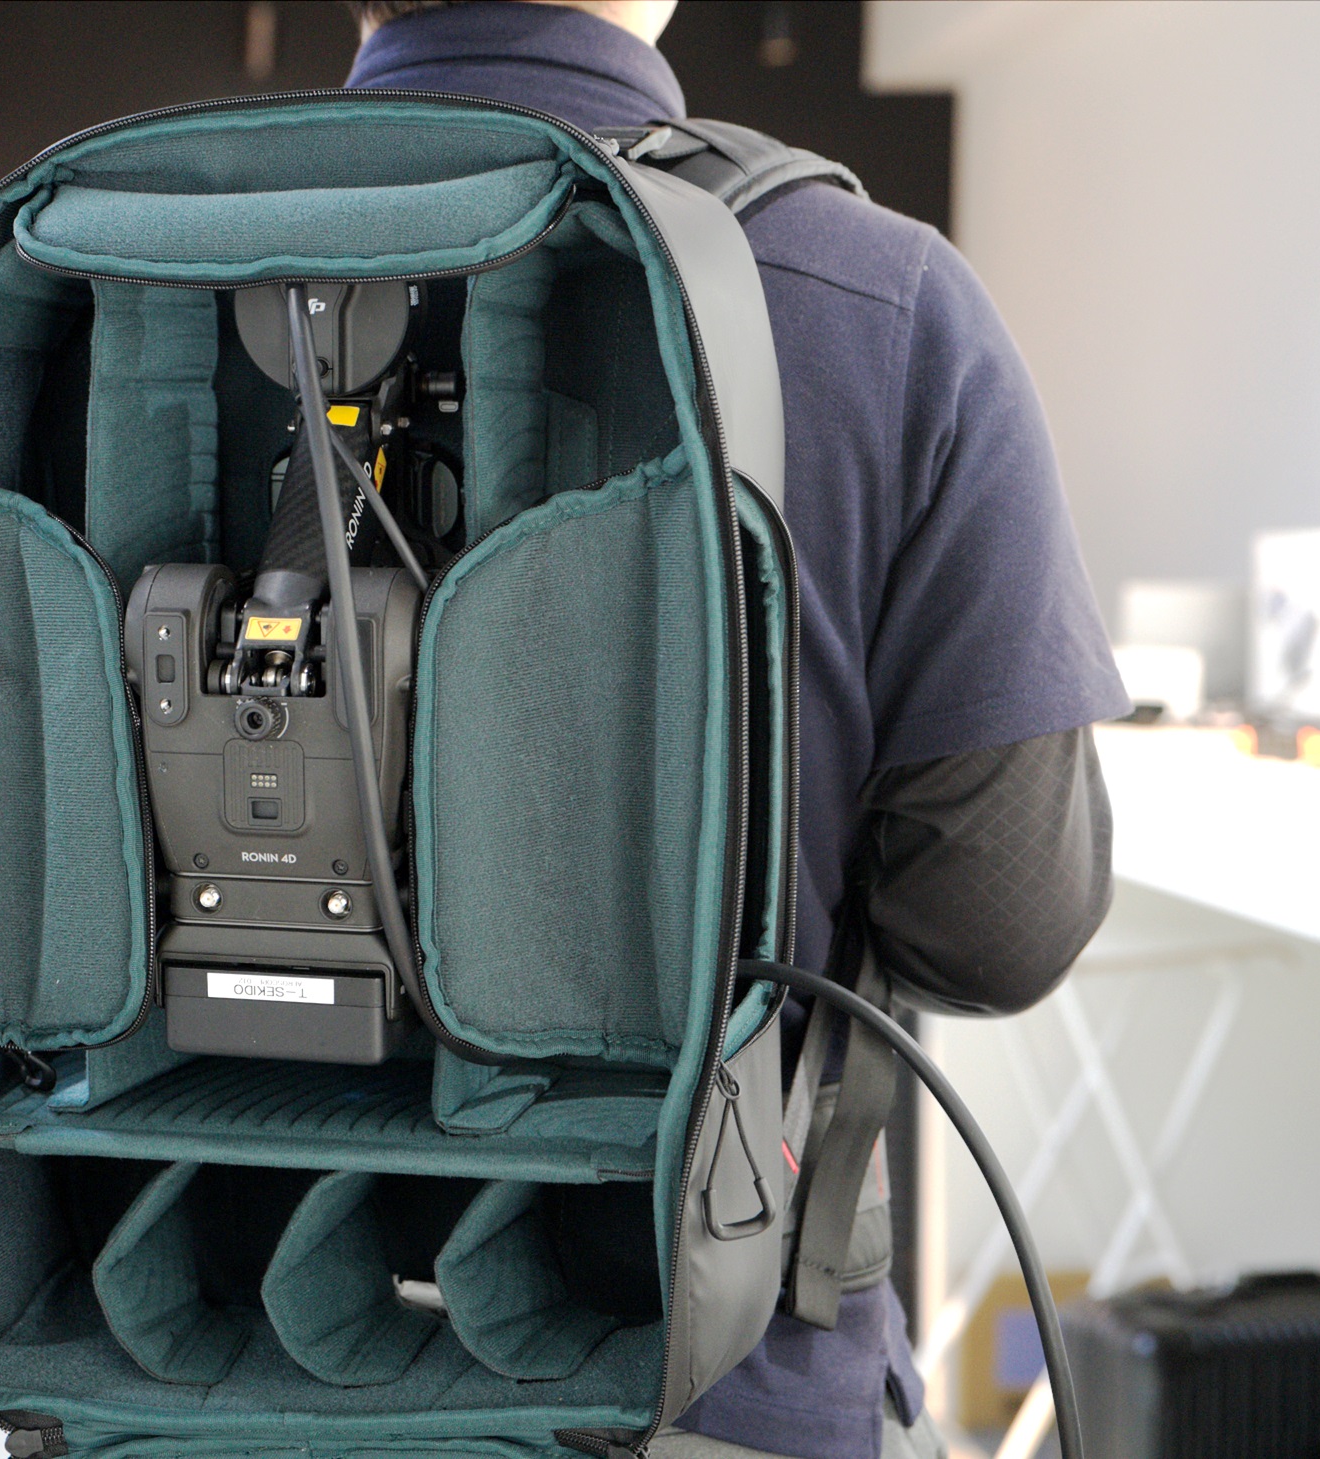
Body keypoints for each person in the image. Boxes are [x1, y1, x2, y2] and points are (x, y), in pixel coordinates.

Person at [343, 4, 1131, 1458]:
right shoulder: (878, 303)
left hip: (178, 1355)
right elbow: (1003, 926)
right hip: (718, 1378)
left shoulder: (74, 274)